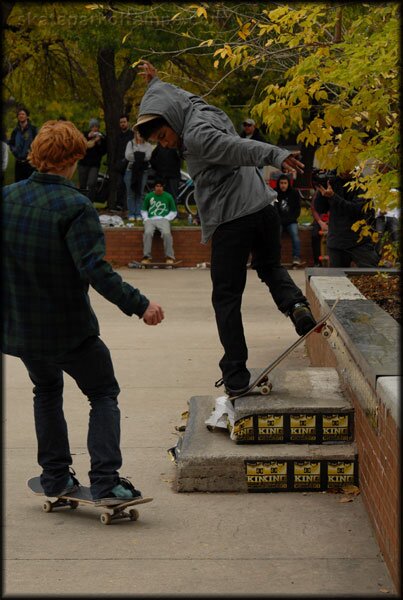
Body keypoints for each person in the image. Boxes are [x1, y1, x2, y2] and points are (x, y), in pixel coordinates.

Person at [2, 119, 164, 504]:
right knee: (103, 392)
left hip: (23, 328)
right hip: (68, 328)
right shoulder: (76, 206)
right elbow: (94, 269)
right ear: (73, 158)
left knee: (46, 391)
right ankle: (107, 481)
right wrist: (141, 305)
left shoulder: (6, 198)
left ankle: (55, 476)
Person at [135, 60, 317, 396]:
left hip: (234, 220)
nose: (165, 144)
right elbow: (181, 99)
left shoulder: (197, 134)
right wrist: (155, 85)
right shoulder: (202, 111)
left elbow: (239, 148)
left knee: (226, 297)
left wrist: (274, 155)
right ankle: (296, 307)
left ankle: (235, 374)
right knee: (269, 266)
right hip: (263, 208)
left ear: (173, 123)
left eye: (163, 136)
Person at [315, 172, 380, 268]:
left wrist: (333, 197)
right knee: (337, 280)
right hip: (337, 241)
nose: (343, 170)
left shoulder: (362, 183)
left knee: (371, 274)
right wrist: (322, 192)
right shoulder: (332, 181)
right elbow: (320, 209)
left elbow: (356, 210)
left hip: (359, 241)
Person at [140, 179, 177, 264]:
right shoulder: (149, 196)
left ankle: (169, 257)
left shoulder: (168, 196)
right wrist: (146, 219)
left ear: (163, 187)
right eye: (157, 186)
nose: (159, 188)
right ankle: (146, 257)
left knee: (167, 234)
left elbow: (173, 211)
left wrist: (167, 218)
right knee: (148, 233)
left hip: (163, 219)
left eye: (160, 186)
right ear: (154, 187)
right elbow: (144, 210)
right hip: (151, 219)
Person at [124, 129, 153, 221]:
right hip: (130, 171)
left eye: (141, 133)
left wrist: (136, 154)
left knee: (140, 192)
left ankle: (139, 213)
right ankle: (131, 214)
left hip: (143, 172)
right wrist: (141, 155)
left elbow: (148, 156)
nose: (139, 135)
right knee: (131, 193)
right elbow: (128, 156)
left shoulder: (148, 145)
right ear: (135, 134)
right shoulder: (130, 143)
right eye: (138, 133)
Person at [78, 118, 107, 203]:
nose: (95, 128)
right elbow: (82, 147)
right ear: (90, 127)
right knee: (82, 184)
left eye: (96, 126)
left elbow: (103, 151)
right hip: (83, 163)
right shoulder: (85, 135)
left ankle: (90, 202)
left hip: (94, 164)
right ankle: (81, 202)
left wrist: (99, 143)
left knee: (91, 183)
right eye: (93, 126)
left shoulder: (101, 137)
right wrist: (89, 138)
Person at [275, 174, 302, 266]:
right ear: (278, 184)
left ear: (288, 184)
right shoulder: (274, 193)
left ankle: (296, 257)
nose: (283, 185)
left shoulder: (294, 193)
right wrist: (279, 220)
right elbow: (273, 209)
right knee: (275, 236)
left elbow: (297, 209)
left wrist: (292, 218)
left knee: (295, 236)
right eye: (281, 183)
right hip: (279, 221)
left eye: (285, 183)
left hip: (291, 221)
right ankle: (276, 258)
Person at [9, 106, 37, 182]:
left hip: (30, 163)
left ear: (27, 116)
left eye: (23, 114)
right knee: (18, 185)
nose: (21, 115)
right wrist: (14, 151)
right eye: (19, 114)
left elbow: (38, 143)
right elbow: (11, 143)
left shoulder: (33, 129)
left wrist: (31, 152)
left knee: (30, 185)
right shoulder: (15, 131)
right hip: (18, 163)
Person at [114, 114, 134, 211]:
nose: (122, 124)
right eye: (121, 122)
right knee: (120, 185)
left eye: (124, 122)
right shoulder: (117, 137)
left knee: (129, 186)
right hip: (120, 165)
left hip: (130, 164)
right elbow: (115, 151)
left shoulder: (132, 135)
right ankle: (119, 205)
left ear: (128, 123)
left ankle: (129, 206)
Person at [310, 189, 329, 267]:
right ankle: (317, 262)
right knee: (314, 235)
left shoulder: (333, 192)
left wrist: (328, 222)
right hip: (319, 221)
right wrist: (320, 222)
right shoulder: (317, 193)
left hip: (332, 220)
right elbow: (313, 209)